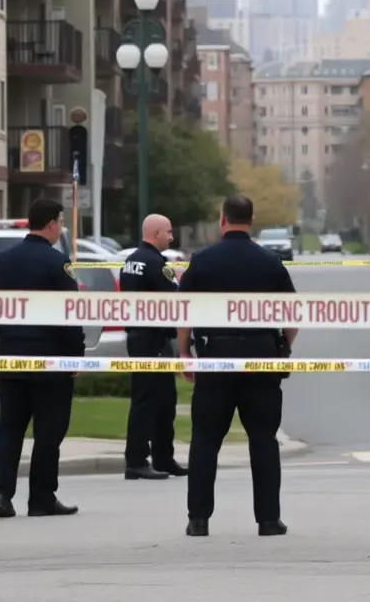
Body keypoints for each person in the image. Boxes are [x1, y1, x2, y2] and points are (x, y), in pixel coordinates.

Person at [177, 195, 296, 537]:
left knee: (205, 439)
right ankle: (269, 520)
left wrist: (185, 353)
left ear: (222, 220)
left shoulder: (201, 261)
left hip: (215, 358)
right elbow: (293, 316)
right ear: (252, 219)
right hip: (261, 359)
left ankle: (198, 519)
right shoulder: (270, 262)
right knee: (263, 439)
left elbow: (183, 313)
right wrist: (283, 347)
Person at [0, 198, 85, 518]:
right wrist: (75, 356)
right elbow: (70, 314)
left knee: (9, 427)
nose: (61, 228)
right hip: (50, 363)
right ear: (52, 224)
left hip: (10, 358)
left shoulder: (2, 260)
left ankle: (1, 494)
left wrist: (7, 332)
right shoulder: (57, 263)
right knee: (48, 432)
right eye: (61, 222)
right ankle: (40, 498)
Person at [120, 213, 187, 481]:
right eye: (168, 232)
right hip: (153, 340)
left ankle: (162, 458)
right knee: (148, 401)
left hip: (139, 337)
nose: (171, 237)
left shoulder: (131, 261)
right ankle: (137, 460)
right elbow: (174, 297)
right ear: (156, 233)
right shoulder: (155, 263)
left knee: (162, 401)